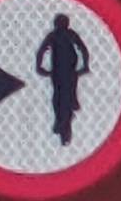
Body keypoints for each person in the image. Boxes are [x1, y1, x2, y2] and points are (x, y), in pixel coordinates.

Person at [34, 12, 91, 148]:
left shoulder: (62, 35)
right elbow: (41, 51)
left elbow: (83, 49)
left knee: (61, 94)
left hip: (65, 71)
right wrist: (39, 66)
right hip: (61, 72)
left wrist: (39, 66)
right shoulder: (57, 35)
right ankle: (62, 118)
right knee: (60, 95)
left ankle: (64, 116)